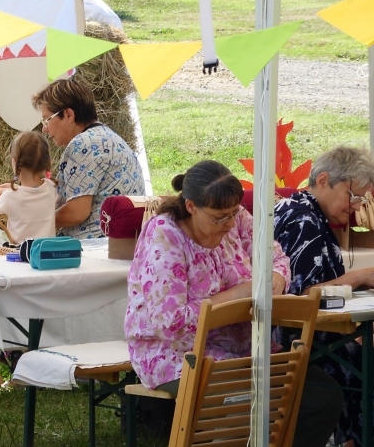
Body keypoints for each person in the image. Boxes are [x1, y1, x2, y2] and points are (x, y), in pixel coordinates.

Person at [125, 160, 342, 447]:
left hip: (244, 347)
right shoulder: (165, 235)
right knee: (249, 398)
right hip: (176, 354)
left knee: (321, 394)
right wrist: (238, 295)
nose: (228, 224)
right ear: (191, 206)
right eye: (219, 218)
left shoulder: (236, 217)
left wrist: (276, 279)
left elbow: (276, 257)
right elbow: (170, 322)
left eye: (232, 213)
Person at [274, 146, 374, 447]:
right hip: (300, 341)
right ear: (323, 180)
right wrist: (360, 276)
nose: (355, 207)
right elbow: (303, 296)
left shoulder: (301, 210)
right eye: (352, 196)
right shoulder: (303, 221)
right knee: (364, 366)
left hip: (313, 335)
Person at [30, 78, 144, 238]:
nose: (44, 129)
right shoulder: (107, 138)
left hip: (95, 246)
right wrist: (26, 191)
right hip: (118, 244)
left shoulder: (83, 143)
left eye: (47, 119)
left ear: (68, 115)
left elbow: (76, 213)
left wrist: (31, 219)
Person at [0, 131, 57, 243]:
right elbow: (31, 194)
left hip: (20, 252)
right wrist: (14, 189)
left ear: (15, 162)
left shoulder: (10, 196)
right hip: (46, 251)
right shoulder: (51, 188)